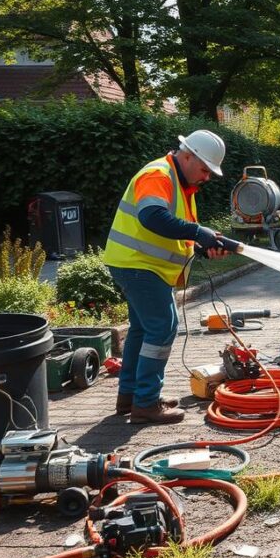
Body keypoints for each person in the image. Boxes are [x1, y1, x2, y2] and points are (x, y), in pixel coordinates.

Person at [103, 130, 232, 424]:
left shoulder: (179, 184)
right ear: (187, 155)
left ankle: (130, 397)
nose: (207, 177)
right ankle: (146, 403)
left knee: (141, 329)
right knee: (163, 327)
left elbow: (175, 232)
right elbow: (152, 217)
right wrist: (200, 233)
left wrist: (200, 246)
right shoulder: (158, 175)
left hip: (139, 265)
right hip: (138, 265)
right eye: (204, 169)